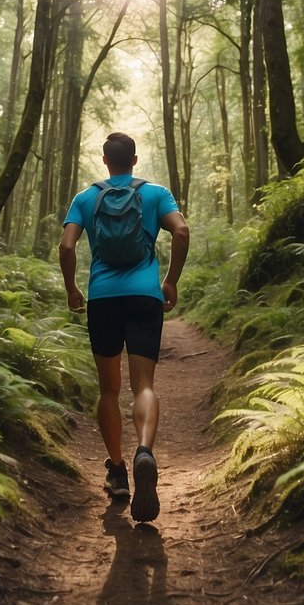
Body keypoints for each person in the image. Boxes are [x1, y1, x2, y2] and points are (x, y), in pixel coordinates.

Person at [58, 132, 190, 523]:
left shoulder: (85, 199)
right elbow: (180, 231)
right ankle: (144, 452)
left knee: (108, 390)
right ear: (134, 160)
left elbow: (67, 247)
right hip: (145, 297)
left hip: (103, 299)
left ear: (104, 161)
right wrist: (171, 280)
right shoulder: (155, 194)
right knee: (144, 386)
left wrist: (71, 288)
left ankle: (117, 472)